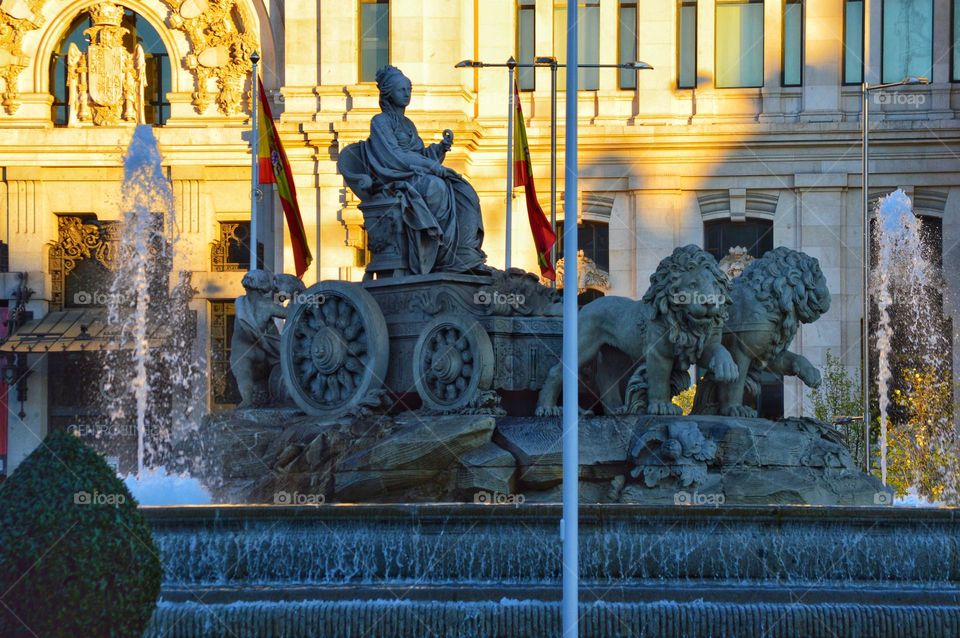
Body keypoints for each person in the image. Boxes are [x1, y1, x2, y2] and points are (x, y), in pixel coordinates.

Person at [347, 65, 487, 274]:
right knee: (436, 187)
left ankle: (463, 251)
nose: (406, 94)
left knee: (463, 190)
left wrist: (440, 148)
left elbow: (419, 155)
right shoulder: (380, 122)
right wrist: (433, 168)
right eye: (401, 90)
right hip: (395, 178)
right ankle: (439, 252)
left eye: (408, 90)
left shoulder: (409, 124)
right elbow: (395, 157)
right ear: (388, 92)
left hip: (415, 174)